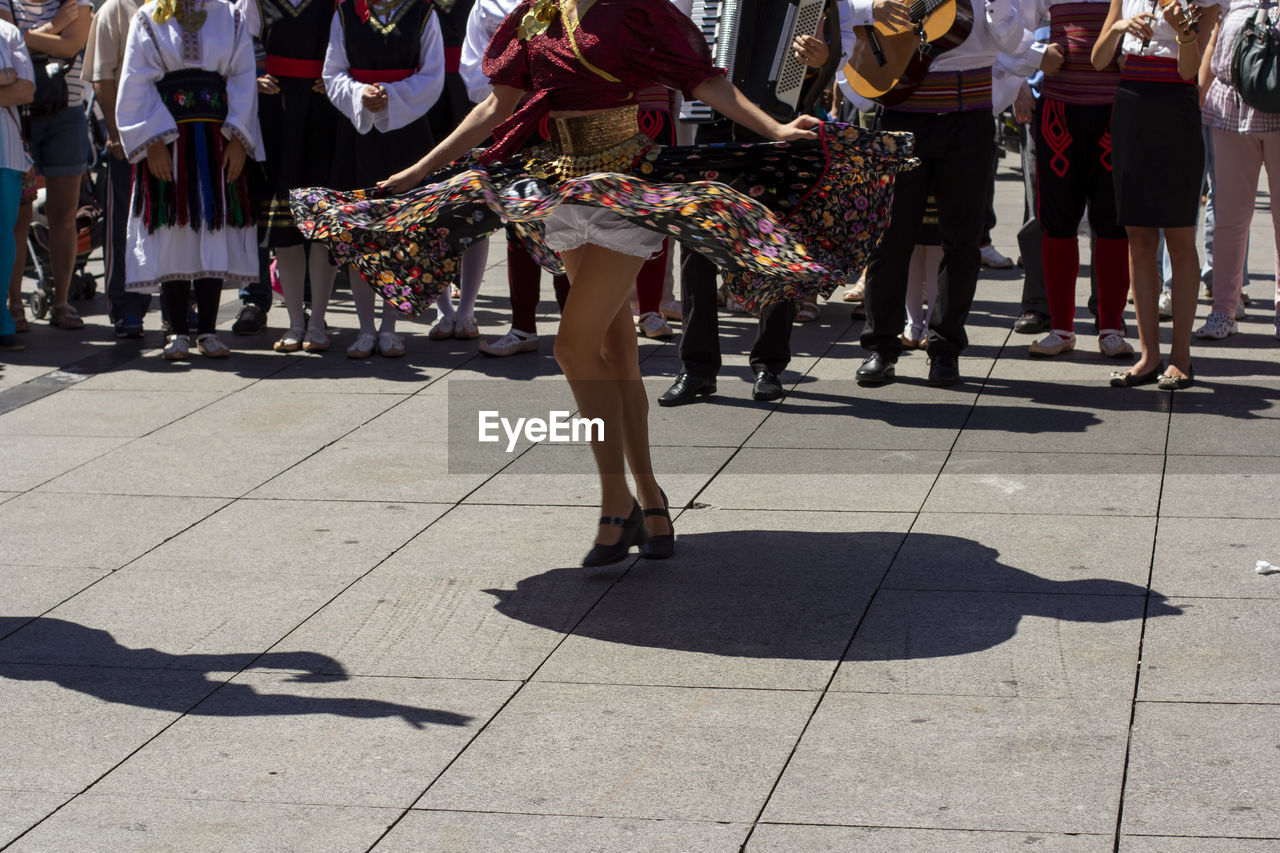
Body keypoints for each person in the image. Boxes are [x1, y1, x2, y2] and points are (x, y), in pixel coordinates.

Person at [291, 0, 912, 565]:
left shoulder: (635, 11)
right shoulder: (535, 15)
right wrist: (420, 169)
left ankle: (615, 505)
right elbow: (495, 104)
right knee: (614, 354)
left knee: (571, 346)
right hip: (561, 188)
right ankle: (650, 499)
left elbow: (704, 79)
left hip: (627, 189)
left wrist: (772, 131)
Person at [659, 0, 845, 406]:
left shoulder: (812, 3)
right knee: (697, 251)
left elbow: (832, 58)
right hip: (712, 128)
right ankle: (696, 368)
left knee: (777, 249)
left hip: (781, 132)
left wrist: (820, 61)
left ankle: (769, 365)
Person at [851, 0, 1029, 387]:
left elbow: (1016, 43)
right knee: (889, 236)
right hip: (902, 108)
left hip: (969, 115)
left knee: (963, 240)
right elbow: (848, 10)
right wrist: (873, 7)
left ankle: (945, 350)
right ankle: (881, 347)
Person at [116, 0, 262, 359]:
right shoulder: (148, 17)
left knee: (213, 226)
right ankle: (177, 331)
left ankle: (208, 331)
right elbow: (136, 82)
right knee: (173, 230)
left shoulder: (230, 15)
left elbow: (243, 79)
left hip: (217, 142)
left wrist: (239, 140)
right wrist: (152, 145)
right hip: (169, 140)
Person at [1093, 0, 1214, 388]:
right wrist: (1119, 27)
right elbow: (1098, 60)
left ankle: (1181, 357)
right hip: (1130, 103)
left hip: (1177, 107)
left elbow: (1190, 70)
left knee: (1179, 237)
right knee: (1139, 238)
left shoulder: (1202, 3)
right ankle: (1149, 356)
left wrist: (1184, 31)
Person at [322, 0, 444, 359]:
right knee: (361, 231)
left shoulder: (423, 11)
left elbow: (433, 73)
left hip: (407, 130)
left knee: (399, 231)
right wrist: (361, 95)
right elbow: (333, 73)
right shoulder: (345, 13)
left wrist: (392, 96)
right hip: (358, 133)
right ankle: (364, 328)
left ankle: (390, 327)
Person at [1021, 0, 1134, 360]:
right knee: (1057, 222)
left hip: (1115, 112)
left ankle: (1111, 328)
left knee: (1114, 223)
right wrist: (1036, 55)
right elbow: (1007, 26)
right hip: (1059, 113)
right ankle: (1061, 328)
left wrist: (1131, 54)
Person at [238, 0, 342, 353]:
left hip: (322, 113)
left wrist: (339, 79)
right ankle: (296, 322)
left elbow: (350, 44)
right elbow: (239, 42)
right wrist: (253, 76)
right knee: (285, 226)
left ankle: (317, 321)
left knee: (321, 224)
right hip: (278, 113)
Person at [4, 0, 92, 331]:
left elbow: (72, 45)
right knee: (16, 215)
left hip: (66, 114)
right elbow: (4, 40)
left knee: (64, 214)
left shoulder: (75, 1)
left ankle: (62, 302)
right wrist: (53, 27)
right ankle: (14, 305)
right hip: (17, 115)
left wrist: (25, 36)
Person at [1196, 0, 1280, 341]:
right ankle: (1223, 312)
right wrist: (1196, 100)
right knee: (1229, 216)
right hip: (1230, 110)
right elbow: (1214, 36)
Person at [83, 0, 152, 338]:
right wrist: (115, 131)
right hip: (128, 136)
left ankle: (181, 309)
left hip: (173, 131)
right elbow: (101, 78)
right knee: (124, 220)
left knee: (173, 223)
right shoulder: (115, 8)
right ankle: (125, 307)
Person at [0, 14, 32, 352]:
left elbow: (25, 89)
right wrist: (3, 78)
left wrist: (12, 81)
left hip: (4, 154)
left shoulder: (8, 33)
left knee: (2, 240)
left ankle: (1, 321)